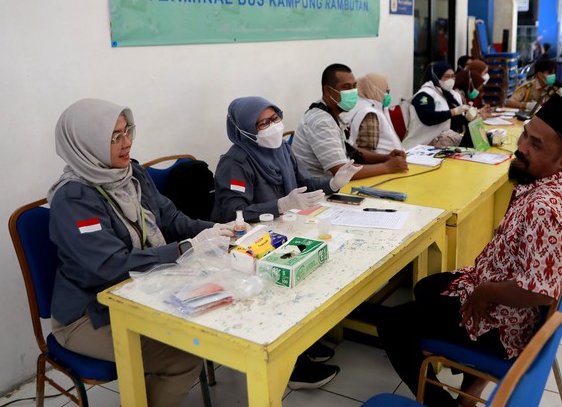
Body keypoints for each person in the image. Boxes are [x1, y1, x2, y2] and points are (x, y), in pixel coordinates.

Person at [377, 94, 562, 407]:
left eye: (536, 145)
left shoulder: (543, 209)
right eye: (525, 136)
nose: (521, 147)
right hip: (507, 298)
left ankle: (445, 404)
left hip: (506, 323)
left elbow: (541, 292)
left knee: (391, 324)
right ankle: (472, 389)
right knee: (426, 287)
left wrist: (485, 293)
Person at [47, 99, 235, 407]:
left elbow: (171, 219)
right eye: (114, 137)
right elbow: (110, 266)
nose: (127, 142)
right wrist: (186, 248)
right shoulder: (74, 200)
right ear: (86, 144)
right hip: (92, 314)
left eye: (127, 131)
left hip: (142, 289)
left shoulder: (131, 173)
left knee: (223, 307)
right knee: (185, 355)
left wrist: (217, 229)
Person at [212, 96, 354, 388]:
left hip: (284, 233)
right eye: (262, 123)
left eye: (274, 119)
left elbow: (304, 183)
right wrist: (280, 204)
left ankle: (300, 344)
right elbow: (231, 213)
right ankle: (291, 368)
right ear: (244, 130)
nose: (272, 127)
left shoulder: (281, 150)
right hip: (246, 246)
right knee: (285, 286)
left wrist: (332, 183)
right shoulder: (234, 163)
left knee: (316, 271)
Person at [293, 63, 408, 179]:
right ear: (328, 90)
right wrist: (386, 167)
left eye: (354, 86)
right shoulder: (321, 121)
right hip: (318, 190)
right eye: (346, 87)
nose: (353, 92)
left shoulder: (332, 112)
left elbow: (350, 150)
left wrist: (385, 157)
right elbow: (341, 171)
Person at [404, 61, 470, 148]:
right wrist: (453, 112)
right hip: (420, 145)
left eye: (453, 76)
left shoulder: (448, 95)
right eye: (446, 76)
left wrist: (470, 116)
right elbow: (427, 117)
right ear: (436, 77)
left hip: (439, 142)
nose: (451, 79)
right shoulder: (424, 94)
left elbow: (453, 121)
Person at [340, 73, 404, 153]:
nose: (387, 94)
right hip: (383, 163)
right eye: (386, 90)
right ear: (374, 90)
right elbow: (367, 152)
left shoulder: (372, 107)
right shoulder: (369, 113)